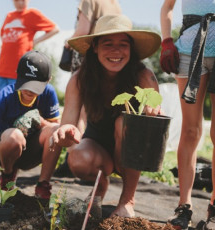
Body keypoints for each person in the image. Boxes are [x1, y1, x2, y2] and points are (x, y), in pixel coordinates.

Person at [50, 14, 162, 217]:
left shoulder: (144, 76)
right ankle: (100, 187)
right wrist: (66, 132)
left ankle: (127, 200)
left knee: (124, 122)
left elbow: (154, 127)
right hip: (98, 146)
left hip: (131, 152)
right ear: (95, 47)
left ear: (131, 48)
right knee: (77, 158)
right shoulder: (79, 79)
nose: (116, 51)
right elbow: (68, 126)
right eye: (108, 43)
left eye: (123, 44)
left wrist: (152, 115)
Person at [0, 50, 61, 199]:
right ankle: (7, 175)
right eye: (27, 84)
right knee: (15, 136)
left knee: (55, 131)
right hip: (4, 149)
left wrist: (39, 120)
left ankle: (43, 185)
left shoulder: (49, 94)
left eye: (36, 86)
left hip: (30, 153)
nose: (30, 90)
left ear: (48, 80)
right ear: (17, 75)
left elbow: (55, 129)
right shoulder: (7, 94)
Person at [160, 0, 215, 229]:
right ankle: (185, 205)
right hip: (188, 52)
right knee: (191, 130)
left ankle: (214, 207)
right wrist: (166, 41)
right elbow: (167, 7)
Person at [55, 0, 122, 178]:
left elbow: (83, 31)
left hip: (89, 54)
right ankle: (82, 150)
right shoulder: (115, 4)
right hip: (107, 58)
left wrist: (68, 42)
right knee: (88, 110)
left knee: (77, 107)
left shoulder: (89, 1)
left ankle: (74, 154)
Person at [0, 0, 59, 93]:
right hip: (2, 68)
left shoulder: (32, 14)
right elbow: (2, 35)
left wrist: (34, 42)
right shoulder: (9, 16)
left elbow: (54, 29)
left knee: (15, 103)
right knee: (1, 104)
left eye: (23, 0)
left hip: (19, 71)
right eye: (17, 0)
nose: (20, 3)